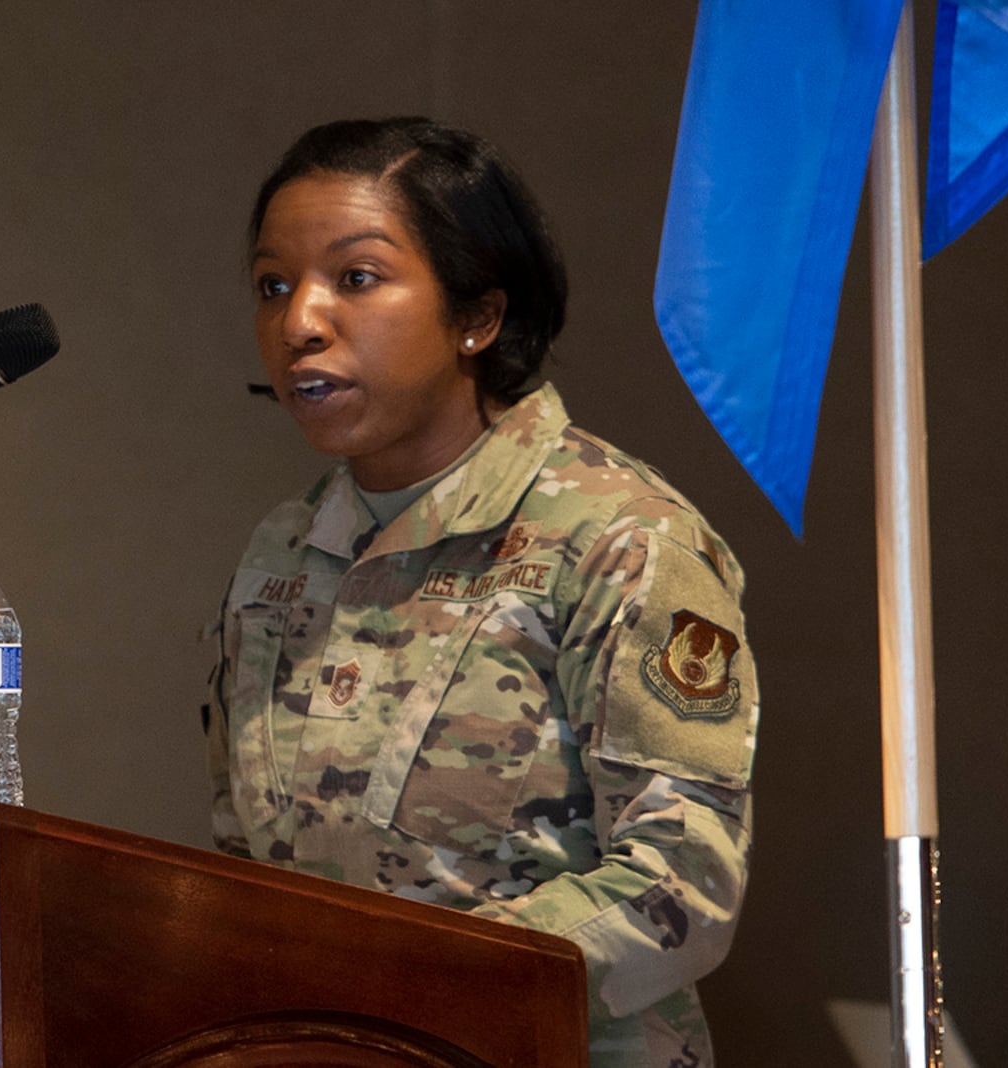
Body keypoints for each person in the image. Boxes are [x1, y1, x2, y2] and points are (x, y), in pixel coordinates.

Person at [204, 117, 759, 1068]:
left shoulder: (622, 537)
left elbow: (683, 883)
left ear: (478, 317)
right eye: (273, 284)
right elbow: (243, 862)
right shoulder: (285, 549)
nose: (300, 320)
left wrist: (407, 990)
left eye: (357, 278)